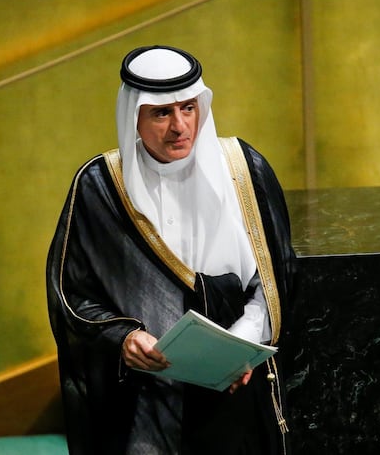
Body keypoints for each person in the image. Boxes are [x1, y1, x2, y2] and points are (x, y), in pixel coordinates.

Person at [46, 45, 295, 454]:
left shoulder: (244, 170)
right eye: (162, 113)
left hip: (237, 385)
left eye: (188, 108)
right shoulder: (101, 186)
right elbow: (70, 294)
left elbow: (277, 278)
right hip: (145, 395)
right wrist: (122, 337)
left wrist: (237, 348)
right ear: (134, 117)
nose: (180, 126)